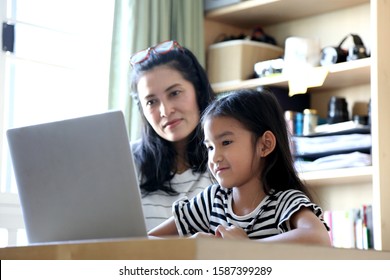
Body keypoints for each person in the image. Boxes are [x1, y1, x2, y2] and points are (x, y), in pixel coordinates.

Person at [148, 88, 331, 246]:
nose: (215, 157)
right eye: (210, 147)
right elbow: (145, 240)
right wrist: (191, 244)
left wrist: (246, 248)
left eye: (226, 142)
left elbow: (318, 238)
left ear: (265, 145)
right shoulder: (211, 201)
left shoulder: (284, 203)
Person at [129, 40, 215, 231]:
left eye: (174, 93)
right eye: (151, 102)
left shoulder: (228, 157)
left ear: (198, 91)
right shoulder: (125, 162)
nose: (165, 111)